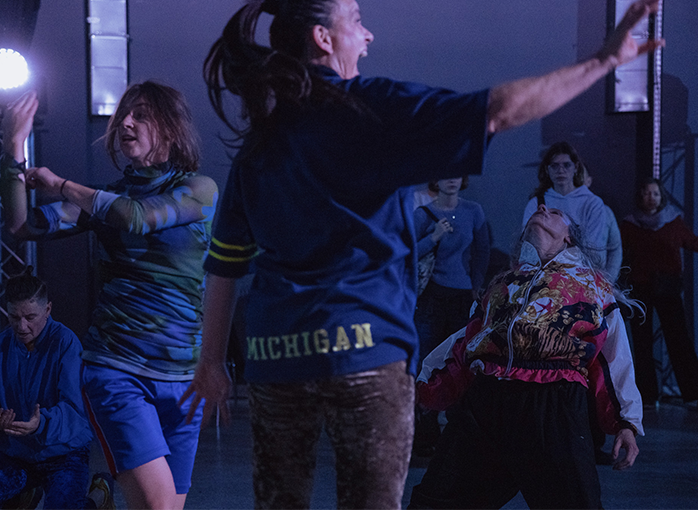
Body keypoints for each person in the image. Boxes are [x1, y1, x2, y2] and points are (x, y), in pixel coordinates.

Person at [181, 0, 662, 508]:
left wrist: (211, 362)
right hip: (364, 353)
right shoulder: (370, 107)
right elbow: (500, 109)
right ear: (323, 38)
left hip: (277, 357)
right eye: (356, 21)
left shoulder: (263, 139)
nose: (367, 36)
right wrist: (602, 61)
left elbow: (225, 264)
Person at [0, 82, 218, 510]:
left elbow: (136, 217)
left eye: (141, 114)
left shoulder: (199, 189)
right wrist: (13, 149)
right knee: (157, 506)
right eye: (124, 115)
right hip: (118, 370)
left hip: (184, 380)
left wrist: (61, 184)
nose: (126, 123)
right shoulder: (103, 200)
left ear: (171, 128)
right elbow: (22, 225)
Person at [409, 205, 643, 509]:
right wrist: (423, 385)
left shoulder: (591, 287)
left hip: (552, 406)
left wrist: (626, 421)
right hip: (487, 402)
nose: (542, 208)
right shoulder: (504, 283)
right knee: (436, 502)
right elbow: (466, 342)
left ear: (569, 237)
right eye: (539, 209)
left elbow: (612, 358)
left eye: (555, 212)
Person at [0, 271, 99, 510]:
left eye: (30, 317)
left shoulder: (65, 343)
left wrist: (41, 424)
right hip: (16, 452)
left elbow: (76, 408)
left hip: (64, 453)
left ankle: (99, 498)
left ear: (47, 310)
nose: (21, 326)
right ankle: (25, 494)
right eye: (14, 317)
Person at [412, 176, 489, 455]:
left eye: (458, 175)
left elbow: (482, 251)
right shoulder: (423, 214)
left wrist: (477, 285)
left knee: (461, 362)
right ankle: (425, 432)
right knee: (427, 362)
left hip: (462, 296)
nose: (452, 180)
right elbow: (407, 253)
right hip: (431, 295)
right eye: (446, 174)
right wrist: (433, 236)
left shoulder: (473, 210)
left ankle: (459, 434)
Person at [620, 178, 698, 406]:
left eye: (655, 193)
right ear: (640, 196)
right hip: (640, 287)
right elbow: (618, 250)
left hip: (668, 287)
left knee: (678, 339)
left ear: (661, 197)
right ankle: (647, 395)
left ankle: (693, 393)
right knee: (641, 342)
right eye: (647, 193)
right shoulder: (630, 224)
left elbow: (692, 242)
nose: (651, 198)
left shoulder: (673, 221)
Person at [521, 141, 610, 274]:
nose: (561, 170)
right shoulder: (536, 203)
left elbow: (596, 249)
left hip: (581, 274)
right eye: (555, 166)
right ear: (547, 169)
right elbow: (527, 245)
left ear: (576, 167)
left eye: (566, 165)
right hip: (540, 273)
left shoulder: (592, 203)